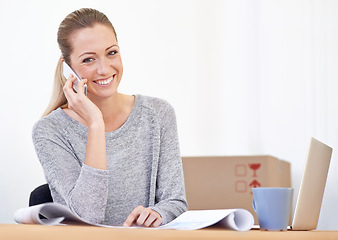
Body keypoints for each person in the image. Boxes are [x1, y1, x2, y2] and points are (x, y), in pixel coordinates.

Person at [32, 8, 187, 227]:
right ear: (69, 70)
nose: (104, 69)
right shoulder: (50, 130)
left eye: (111, 53)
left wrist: (159, 214)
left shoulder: (158, 114)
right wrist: (96, 124)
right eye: (88, 60)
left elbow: (176, 202)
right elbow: (87, 220)